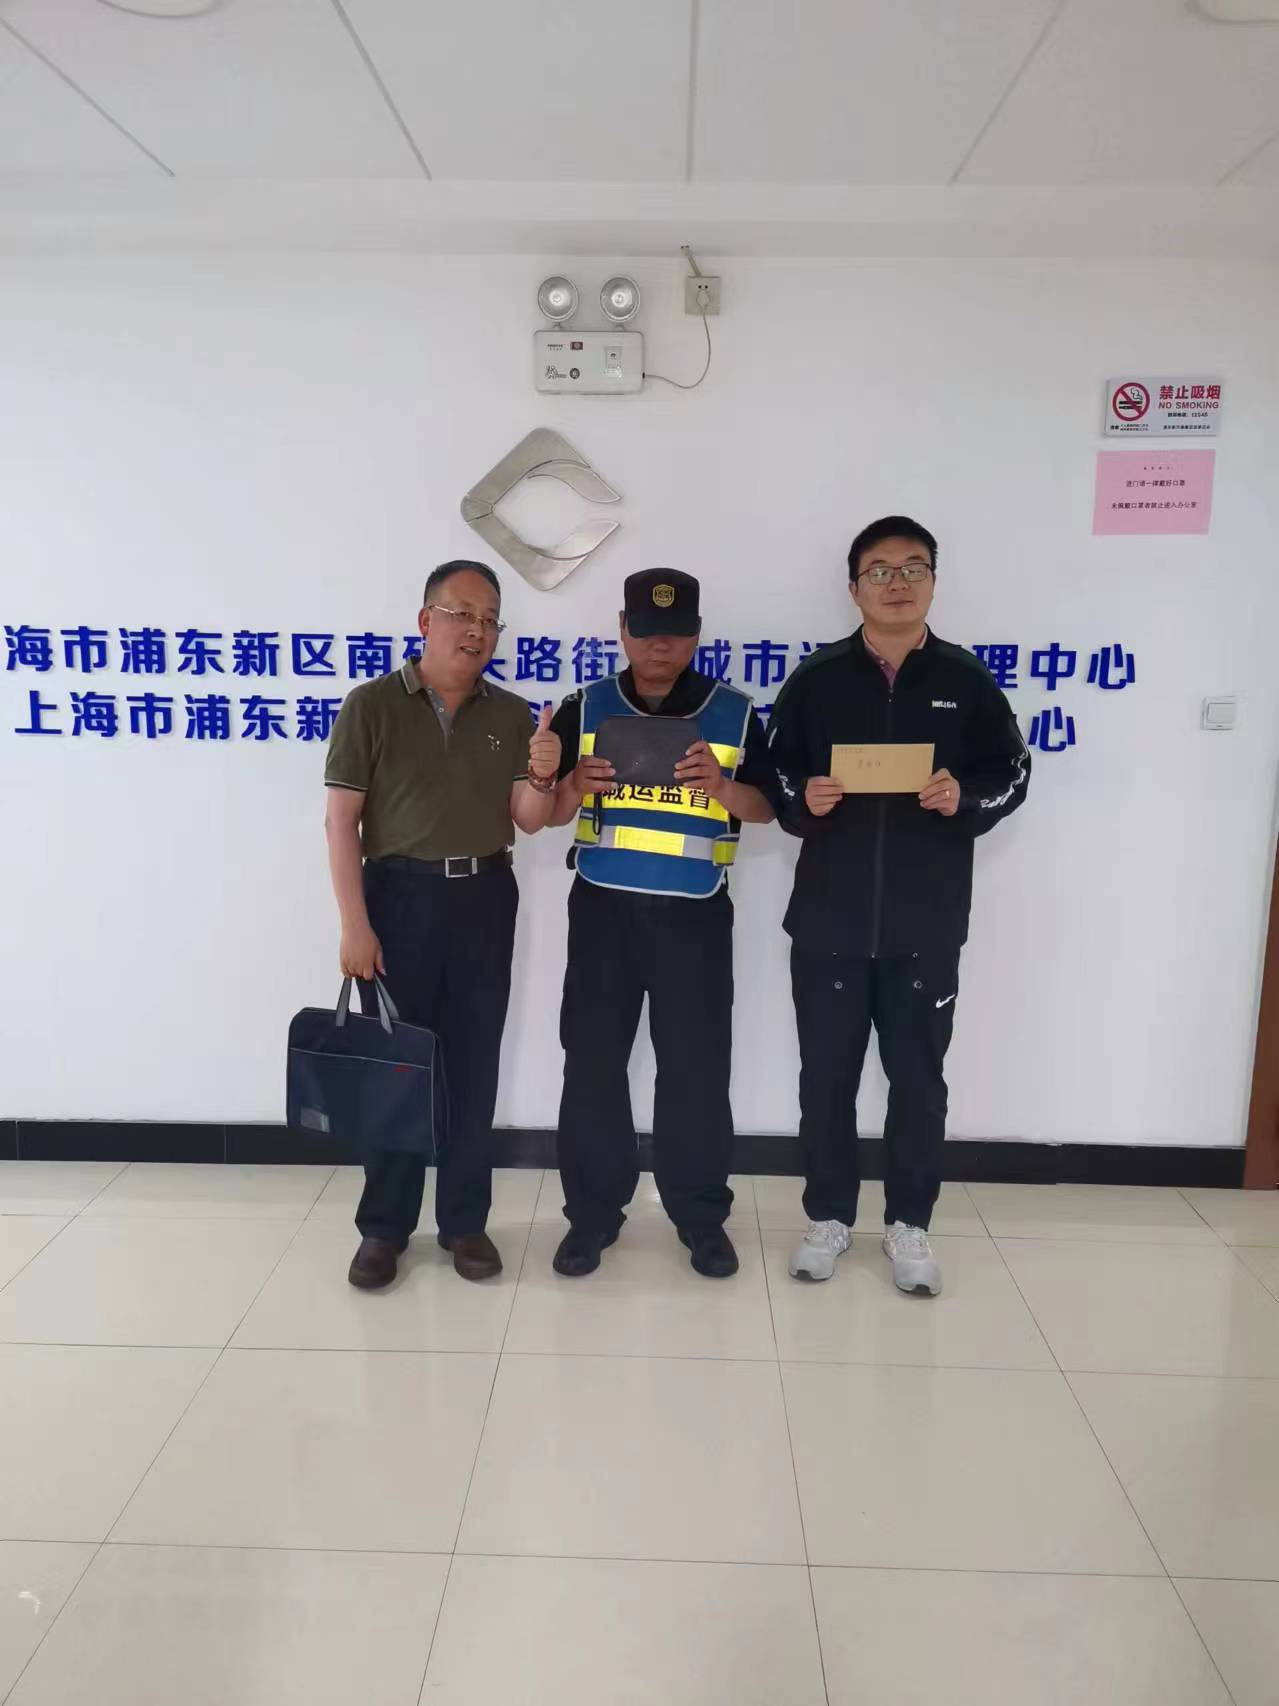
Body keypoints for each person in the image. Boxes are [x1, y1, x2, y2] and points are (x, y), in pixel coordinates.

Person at [766, 517, 1029, 1295]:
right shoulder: (817, 679)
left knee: (918, 1080)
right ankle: (827, 1217)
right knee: (826, 1079)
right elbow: (772, 772)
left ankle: (909, 1223)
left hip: (925, 923)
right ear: (853, 588)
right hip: (828, 922)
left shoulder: (964, 680)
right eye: (879, 570)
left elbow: (1013, 771)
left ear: (933, 583)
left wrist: (963, 795)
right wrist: (804, 798)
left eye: (913, 567)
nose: (896, 582)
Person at [323, 559, 560, 1289]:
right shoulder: (371, 705)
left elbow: (529, 819)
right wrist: (354, 925)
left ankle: (464, 1223)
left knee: (472, 1065)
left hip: (484, 897)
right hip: (397, 899)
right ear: (427, 620)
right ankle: (384, 1228)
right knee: (397, 1069)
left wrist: (545, 773)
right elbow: (340, 822)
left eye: (489, 620)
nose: (477, 630)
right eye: (463, 614)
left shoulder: (511, 713)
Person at [545, 569, 775, 1279]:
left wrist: (722, 786)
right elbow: (545, 811)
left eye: (674, 634)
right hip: (602, 910)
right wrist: (570, 784)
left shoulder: (734, 713)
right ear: (623, 630)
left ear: (696, 636)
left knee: (696, 1071)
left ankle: (700, 1218)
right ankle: (591, 1217)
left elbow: (769, 808)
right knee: (592, 1065)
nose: (659, 646)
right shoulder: (583, 707)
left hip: (694, 915)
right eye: (645, 632)